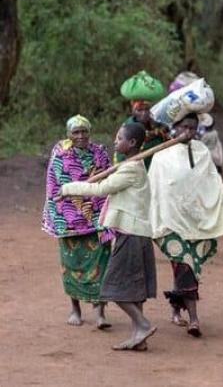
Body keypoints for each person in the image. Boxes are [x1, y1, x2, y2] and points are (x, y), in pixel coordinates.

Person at [60, 123, 157, 351]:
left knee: (112, 288)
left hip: (131, 235)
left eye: (119, 138)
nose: (115, 142)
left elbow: (99, 190)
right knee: (134, 289)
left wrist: (67, 189)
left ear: (132, 143)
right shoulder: (131, 165)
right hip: (137, 233)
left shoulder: (130, 169)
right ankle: (138, 337)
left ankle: (142, 325)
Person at [148, 113, 223, 337]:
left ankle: (175, 310)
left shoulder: (202, 152)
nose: (188, 132)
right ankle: (194, 319)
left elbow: (214, 184)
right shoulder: (162, 155)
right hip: (170, 222)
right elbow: (156, 190)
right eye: (184, 127)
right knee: (185, 266)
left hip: (198, 221)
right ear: (174, 128)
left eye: (192, 128)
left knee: (187, 270)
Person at [42, 115, 112, 328]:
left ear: (90, 132)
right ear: (68, 134)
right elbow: (53, 190)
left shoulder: (99, 153)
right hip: (68, 220)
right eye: (76, 132)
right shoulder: (60, 156)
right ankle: (75, 309)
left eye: (84, 131)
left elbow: (108, 182)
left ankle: (100, 313)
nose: (80, 136)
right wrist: (60, 219)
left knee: (101, 265)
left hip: (96, 218)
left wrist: (104, 214)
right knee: (71, 264)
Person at [117, 100, 169, 167]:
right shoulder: (127, 129)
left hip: (159, 165)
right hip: (136, 166)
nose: (144, 113)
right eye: (139, 110)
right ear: (134, 112)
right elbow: (120, 153)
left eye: (146, 110)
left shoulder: (157, 125)